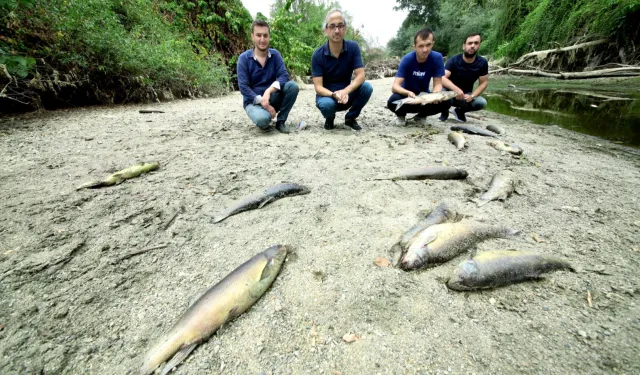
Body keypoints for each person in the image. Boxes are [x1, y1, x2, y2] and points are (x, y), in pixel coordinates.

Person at [311, 9, 373, 131]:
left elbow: (360, 75)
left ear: (345, 29)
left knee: (367, 88)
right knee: (327, 105)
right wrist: (334, 95)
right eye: (332, 26)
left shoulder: (353, 47)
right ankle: (330, 118)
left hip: (347, 95)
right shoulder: (317, 55)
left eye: (340, 26)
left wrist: (345, 91)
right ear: (326, 30)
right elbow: (318, 87)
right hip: (327, 96)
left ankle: (350, 118)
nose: (337, 30)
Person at [237, 20, 299, 134]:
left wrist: (269, 91)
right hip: (253, 101)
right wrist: (263, 102)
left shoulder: (275, 55)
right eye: (258, 35)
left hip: (272, 97)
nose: (262, 39)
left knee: (293, 86)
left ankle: (281, 121)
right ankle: (266, 115)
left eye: (265, 35)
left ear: (269, 37)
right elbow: (243, 88)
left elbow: (284, 76)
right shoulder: (244, 59)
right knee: (263, 120)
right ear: (252, 37)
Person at [387, 28, 451, 126]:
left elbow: (438, 83)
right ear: (415, 47)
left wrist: (436, 95)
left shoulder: (437, 58)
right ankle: (401, 115)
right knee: (392, 101)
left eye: (428, 45)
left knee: (447, 102)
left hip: (424, 95)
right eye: (421, 46)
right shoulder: (407, 59)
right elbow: (395, 87)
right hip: (407, 95)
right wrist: (407, 92)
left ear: (432, 44)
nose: (425, 49)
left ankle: (421, 115)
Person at [440, 33, 489, 122]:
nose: (472, 46)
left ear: (479, 45)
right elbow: (442, 78)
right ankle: (444, 111)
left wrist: (473, 96)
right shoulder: (453, 60)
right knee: (440, 94)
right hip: (449, 93)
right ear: (464, 46)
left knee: (481, 102)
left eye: (476, 43)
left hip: (466, 95)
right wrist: (457, 90)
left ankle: (459, 111)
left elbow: (484, 83)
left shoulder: (482, 63)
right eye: (470, 43)